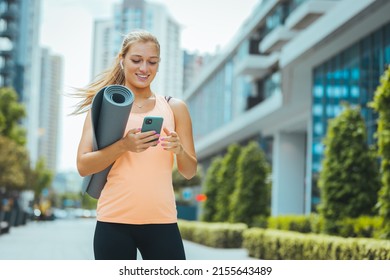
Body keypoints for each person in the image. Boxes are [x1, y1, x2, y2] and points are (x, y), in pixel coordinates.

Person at [73, 29, 197, 260]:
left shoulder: (175, 108)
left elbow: (189, 171)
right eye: (136, 60)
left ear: (159, 65)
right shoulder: (104, 106)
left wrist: (179, 150)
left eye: (152, 62)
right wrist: (124, 146)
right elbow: (83, 165)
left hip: (162, 221)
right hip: (113, 222)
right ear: (122, 60)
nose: (144, 68)